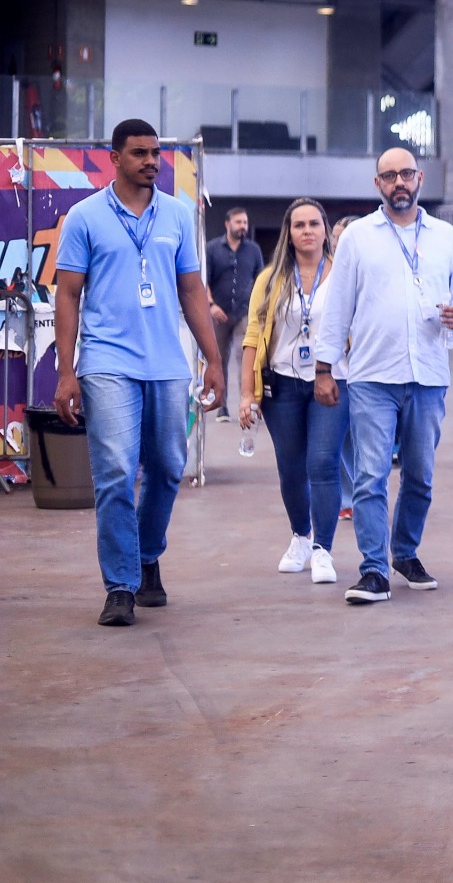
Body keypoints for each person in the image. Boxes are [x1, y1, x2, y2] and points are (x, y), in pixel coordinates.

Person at [52, 118, 225, 626]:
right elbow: (67, 295)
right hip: (107, 362)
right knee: (115, 475)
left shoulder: (176, 214)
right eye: (140, 153)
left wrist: (213, 360)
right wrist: (67, 372)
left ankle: (147, 554)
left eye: (156, 153)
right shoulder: (83, 217)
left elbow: (192, 291)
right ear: (115, 158)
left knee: (169, 466)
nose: (151, 161)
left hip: (167, 363)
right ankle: (121, 586)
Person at [313, 148, 453, 606]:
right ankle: (373, 570)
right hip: (371, 376)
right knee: (370, 474)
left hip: (428, 374)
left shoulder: (447, 238)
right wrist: (324, 370)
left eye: (406, 174)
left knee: (420, 476)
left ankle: (404, 552)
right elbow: (338, 306)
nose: (398, 182)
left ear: (420, 178)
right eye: (389, 176)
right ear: (377, 184)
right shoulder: (359, 237)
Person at [239, 198, 348, 586]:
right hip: (279, 385)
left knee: (322, 463)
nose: (307, 231)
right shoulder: (270, 279)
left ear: (325, 229)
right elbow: (253, 336)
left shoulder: (342, 274)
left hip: (331, 381)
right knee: (290, 467)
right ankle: (301, 536)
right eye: (299, 224)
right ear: (289, 232)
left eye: (314, 224)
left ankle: (324, 550)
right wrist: (246, 394)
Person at [205, 206, 264, 421]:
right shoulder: (212, 249)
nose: (243, 227)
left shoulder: (253, 250)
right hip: (218, 313)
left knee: (245, 358)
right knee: (219, 359)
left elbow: (260, 279)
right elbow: (204, 280)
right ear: (227, 224)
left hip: (245, 312)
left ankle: (245, 405)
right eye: (239, 222)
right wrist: (211, 305)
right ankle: (222, 407)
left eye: (245, 223)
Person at [330, 214, 358, 521]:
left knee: (358, 441)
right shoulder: (325, 272)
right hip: (334, 371)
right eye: (335, 237)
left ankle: (362, 494)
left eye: (343, 237)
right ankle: (345, 498)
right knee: (337, 441)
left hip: (364, 369)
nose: (338, 243)